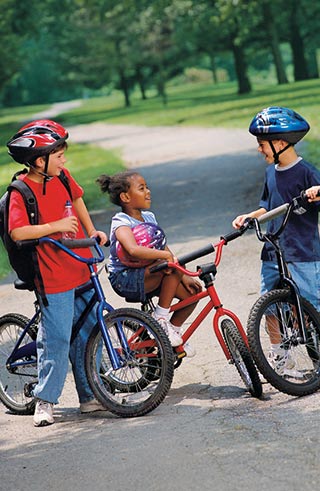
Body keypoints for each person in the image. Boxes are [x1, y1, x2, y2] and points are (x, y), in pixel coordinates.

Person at [7, 120, 108, 427]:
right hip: (52, 277)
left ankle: (89, 395)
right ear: (40, 160)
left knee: (90, 332)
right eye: (60, 155)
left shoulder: (62, 176)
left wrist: (92, 231)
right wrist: (56, 227)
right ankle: (44, 400)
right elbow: (17, 232)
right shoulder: (21, 191)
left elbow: (77, 199)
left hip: (80, 264)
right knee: (58, 340)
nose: (65, 160)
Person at [232, 106, 320, 373]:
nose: (260, 149)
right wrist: (251, 216)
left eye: (262, 144)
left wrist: (316, 191)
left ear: (281, 143)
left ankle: (317, 357)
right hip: (273, 249)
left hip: (302, 251)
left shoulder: (306, 172)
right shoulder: (271, 172)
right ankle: (281, 358)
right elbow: (268, 206)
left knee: (310, 305)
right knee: (268, 303)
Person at [96, 171, 202, 355]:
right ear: (126, 196)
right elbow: (132, 249)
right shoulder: (121, 221)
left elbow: (164, 248)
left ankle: (172, 332)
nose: (148, 191)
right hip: (125, 278)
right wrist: (167, 259)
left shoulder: (149, 217)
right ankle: (160, 318)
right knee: (167, 266)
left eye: (147, 187)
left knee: (193, 293)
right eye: (142, 188)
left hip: (148, 272)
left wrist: (184, 275)